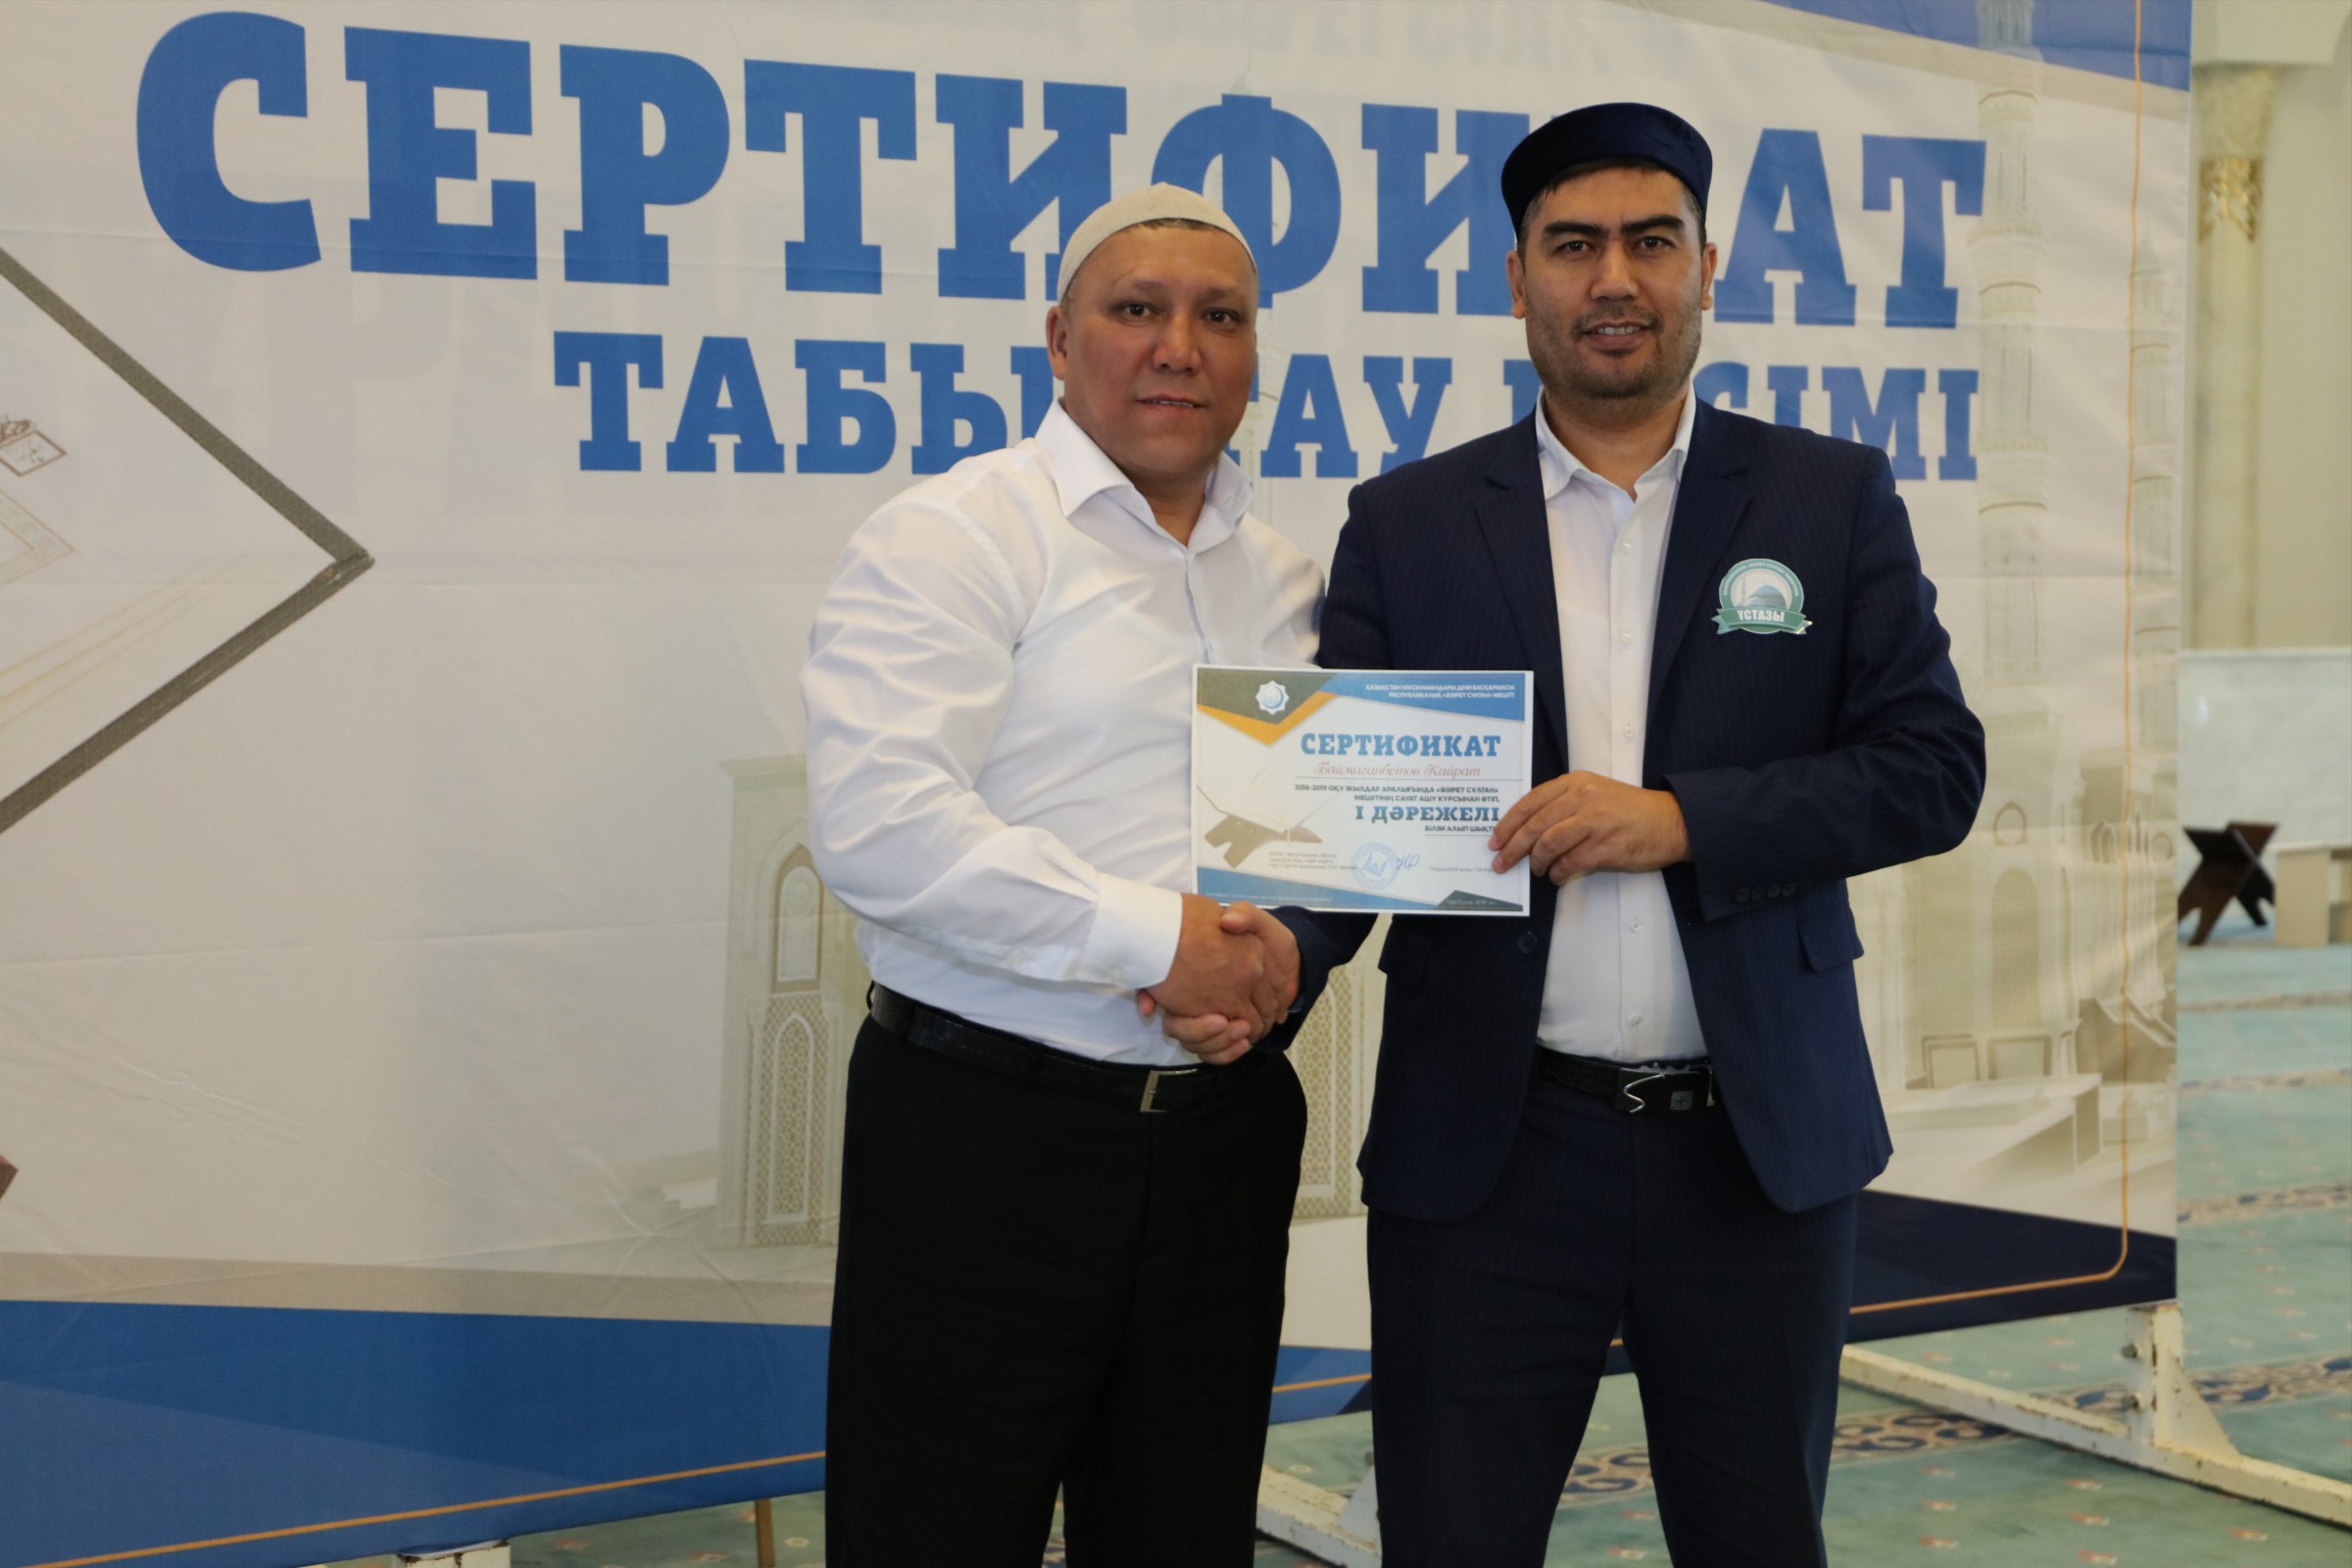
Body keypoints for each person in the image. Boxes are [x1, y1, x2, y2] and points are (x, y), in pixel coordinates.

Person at [1163, 103, 1985, 1565]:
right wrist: (1272, 954)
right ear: (1517, 278)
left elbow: (1933, 770)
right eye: (1574, 244)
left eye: (1650, 241)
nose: (1614, 278)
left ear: (1706, 268)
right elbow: (1347, 820)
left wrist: (1680, 821)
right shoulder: (1409, 522)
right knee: (1453, 1537)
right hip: (1492, 1152)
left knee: (1755, 1539)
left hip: (1753, 1152)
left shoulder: (1828, 498)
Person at [800, 185, 1319, 1567]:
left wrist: (1278, 959)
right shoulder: (957, 535)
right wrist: (1162, 943)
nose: (1179, 347)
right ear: (1058, 339)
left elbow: (1319, 830)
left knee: (1183, 1538)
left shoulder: (1285, 577)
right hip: (982, 1143)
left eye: (1220, 318)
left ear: (1254, 353)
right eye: (1137, 309)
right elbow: (881, 824)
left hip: (1219, 1147)